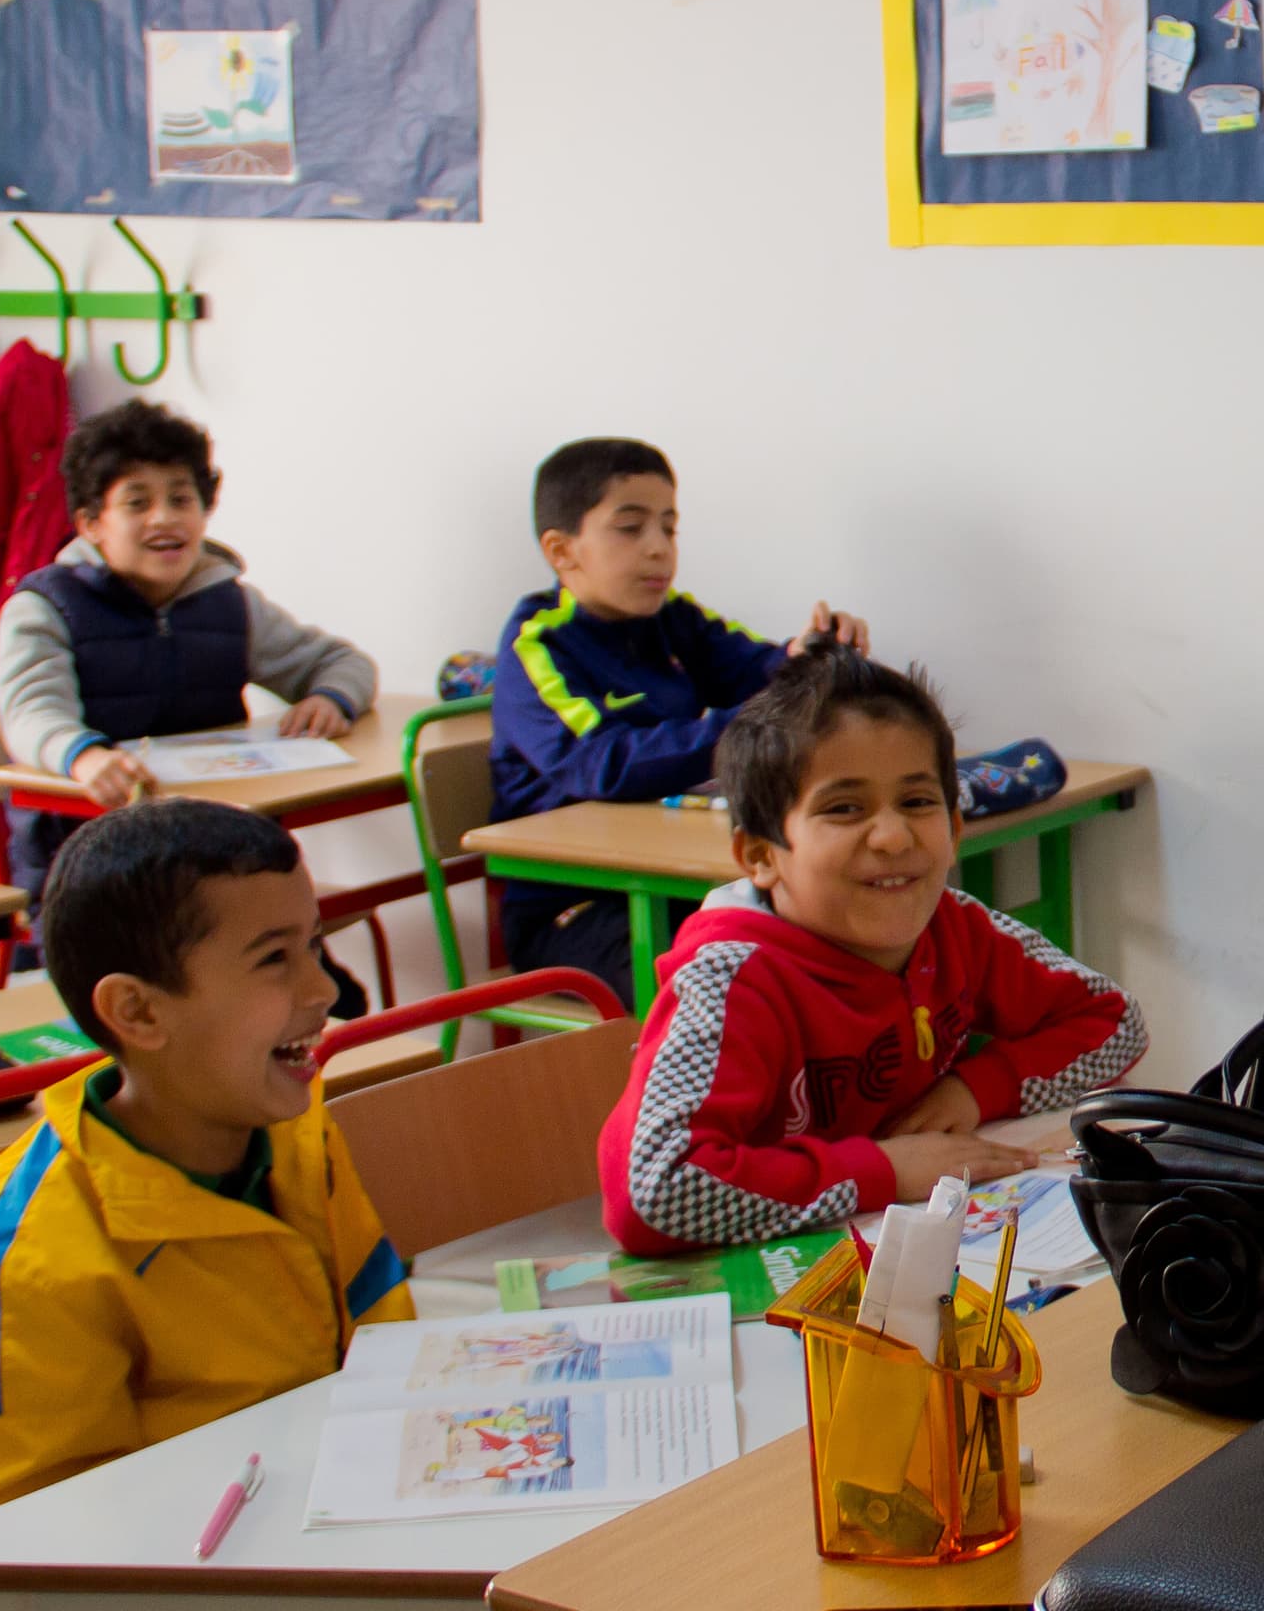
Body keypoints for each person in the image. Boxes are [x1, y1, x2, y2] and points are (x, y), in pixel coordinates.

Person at [0, 800, 412, 1519]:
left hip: (332, 1516)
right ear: (139, 1013)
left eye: (315, 944)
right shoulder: (25, 1266)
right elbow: (26, 1556)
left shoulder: (296, 1134)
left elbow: (381, 1332)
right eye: (275, 958)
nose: (323, 989)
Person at [597, 647, 1144, 1255]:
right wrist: (883, 1172)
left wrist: (974, 1090)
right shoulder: (731, 979)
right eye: (843, 809)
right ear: (760, 856)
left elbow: (1116, 1022)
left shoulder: (955, 926)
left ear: (955, 830)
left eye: (916, 802)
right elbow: (654, 1194)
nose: (891, 837)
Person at [0, 402, 379, 1010]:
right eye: (137, 502)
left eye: (181, 498)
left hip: (220, 859)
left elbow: (344, 663)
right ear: (91, 522)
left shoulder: (227, 601)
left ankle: (309, 1000)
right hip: (88, 861)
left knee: (286, 985)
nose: (165, 518)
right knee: (185, 995)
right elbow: (28, 712)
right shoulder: (45, 607)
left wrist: (332, 698)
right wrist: (84, 757)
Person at [486, 437, 869, 1003]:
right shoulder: (538, 647)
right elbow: (600, 765)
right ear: (561, 550)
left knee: (822, 933)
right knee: (716, 982)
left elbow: (761, 670)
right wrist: (748, 727)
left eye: (669, 528)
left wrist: (812, 655)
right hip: (575, 909)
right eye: (630, 527)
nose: (658, 549)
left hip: (677, 884)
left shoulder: (674, 619)